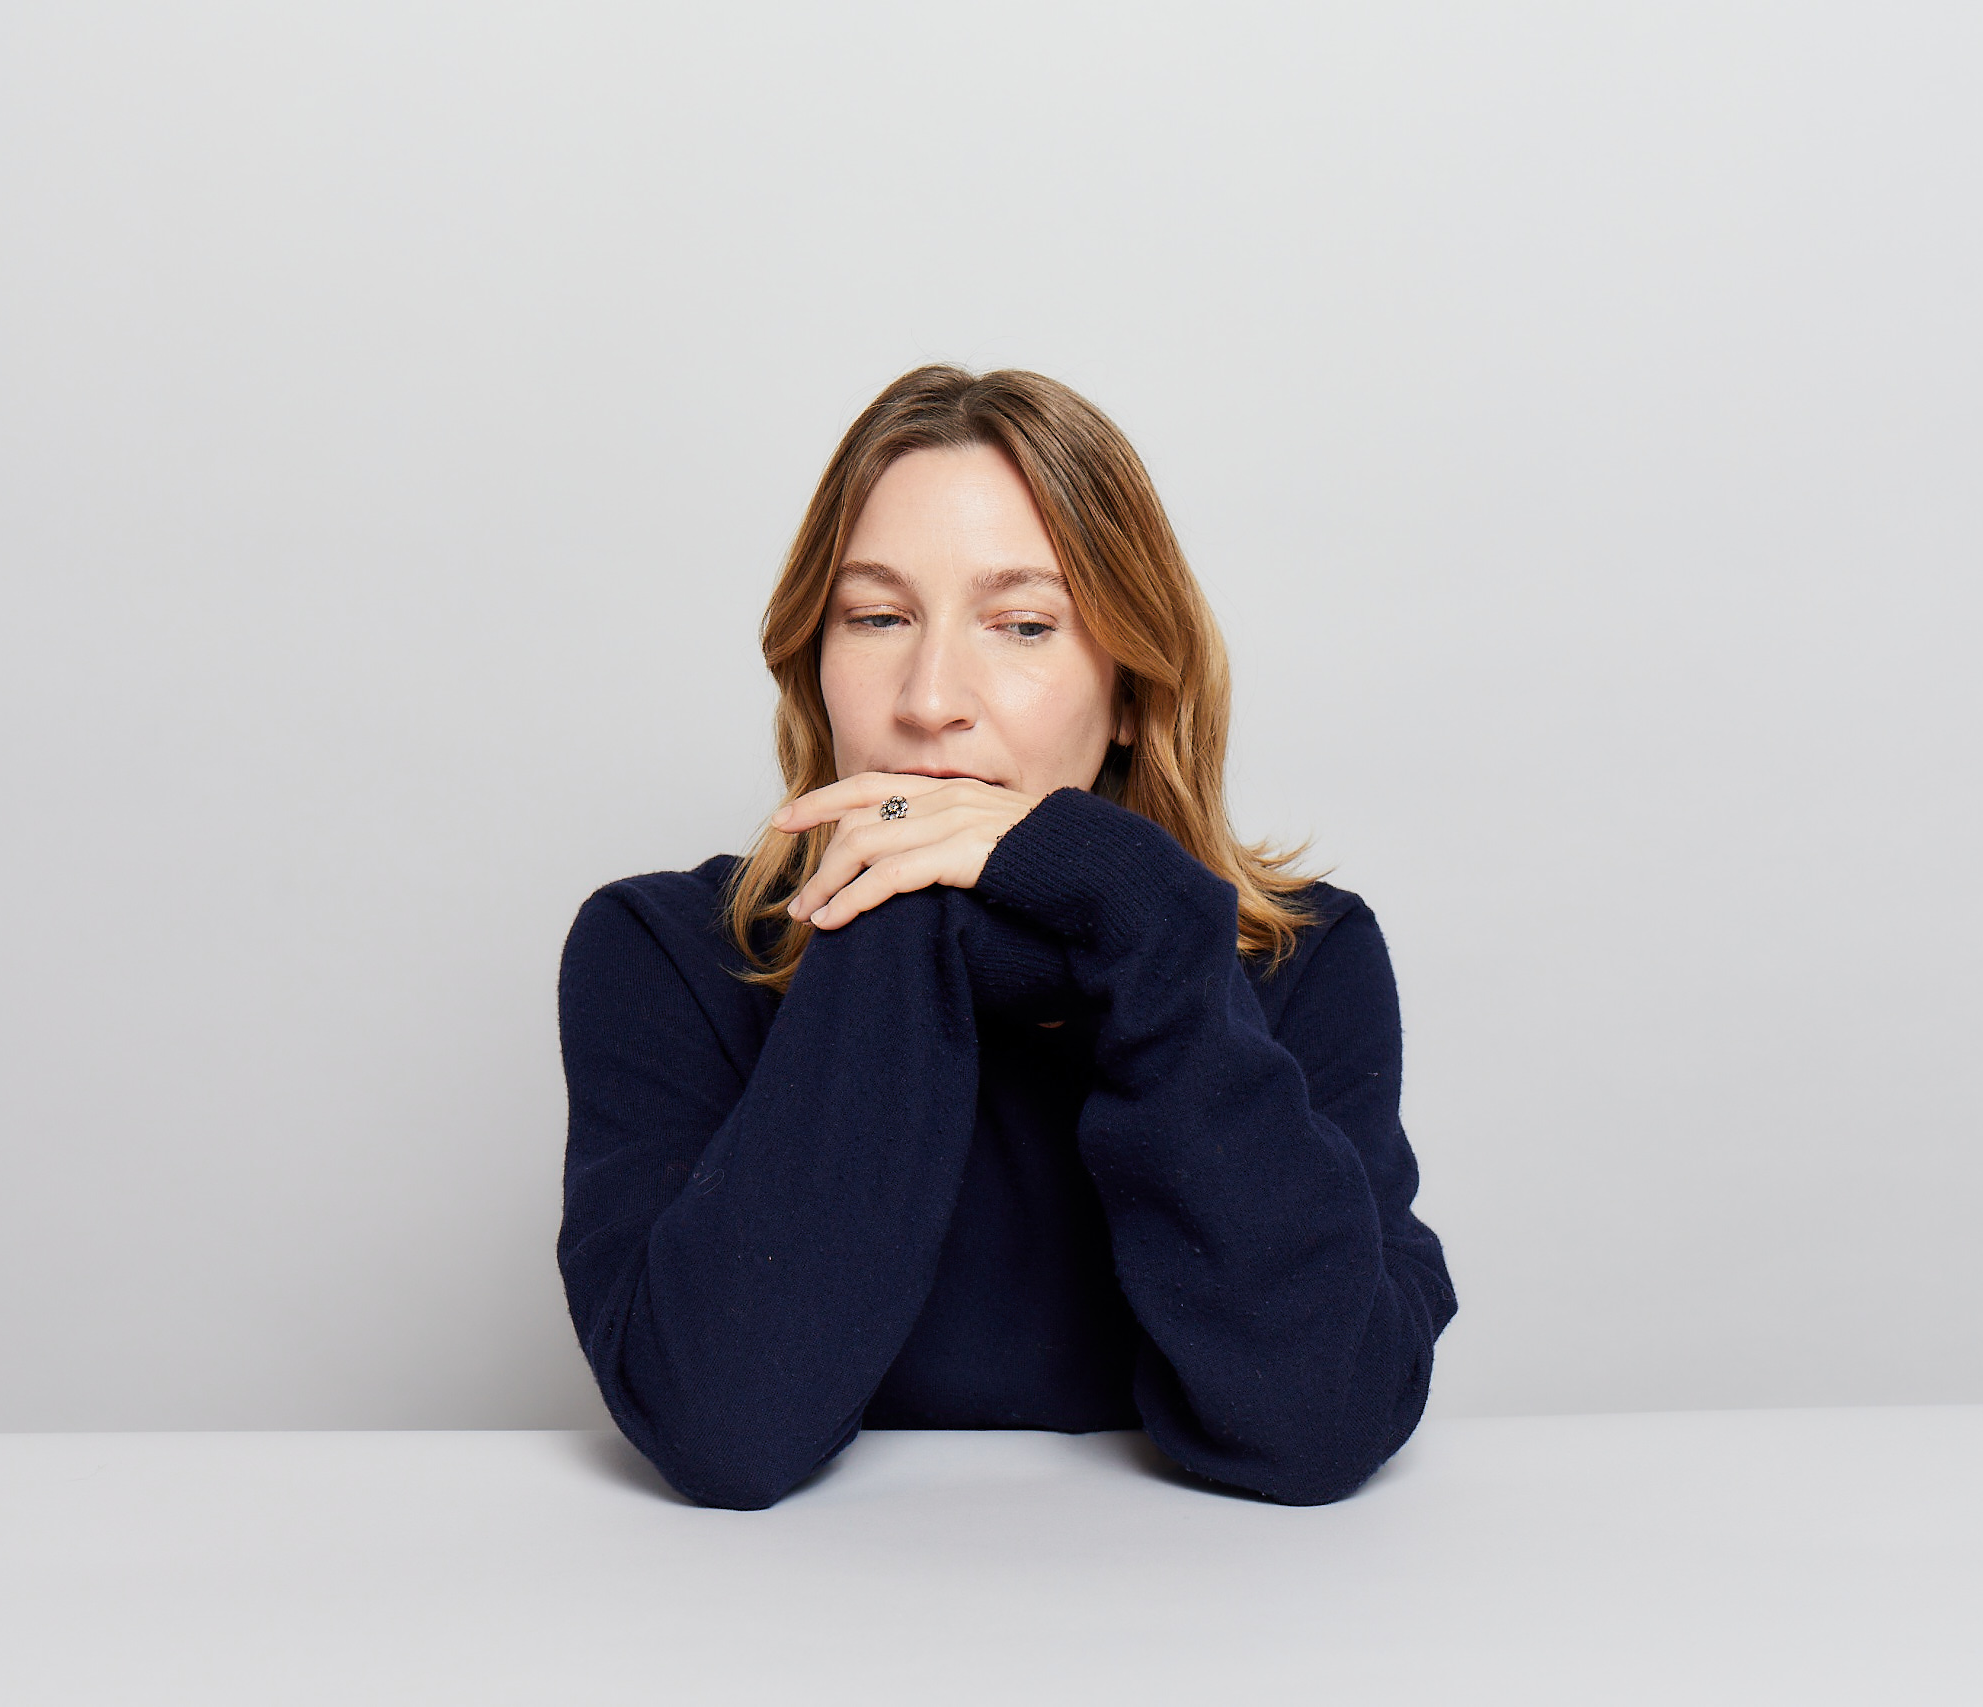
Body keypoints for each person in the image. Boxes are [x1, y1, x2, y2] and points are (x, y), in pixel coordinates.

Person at [556, 365, 1455, 1510]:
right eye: (876, 618)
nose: (929, 699)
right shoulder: (663, 955)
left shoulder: (1296, 962)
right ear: (812, 665)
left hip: (1185, 1603)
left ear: (1130, 687)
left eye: (1023, 625)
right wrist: (896, 908)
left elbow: (1318, 1424)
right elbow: (722, 1426)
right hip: (810, 1607)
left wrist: (1142, 920)